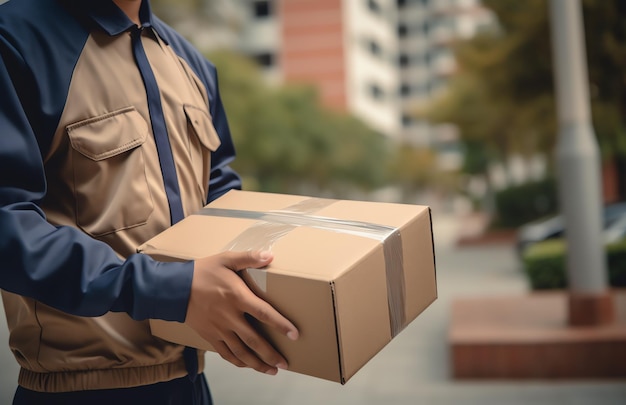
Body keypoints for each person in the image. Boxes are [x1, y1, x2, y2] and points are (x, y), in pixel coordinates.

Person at [0, 0, 299, 403]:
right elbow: (7, 223)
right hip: (77, 391)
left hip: (192, 384)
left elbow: (221, 192)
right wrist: (168, 290)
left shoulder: (191, 62)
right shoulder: (14, 38)